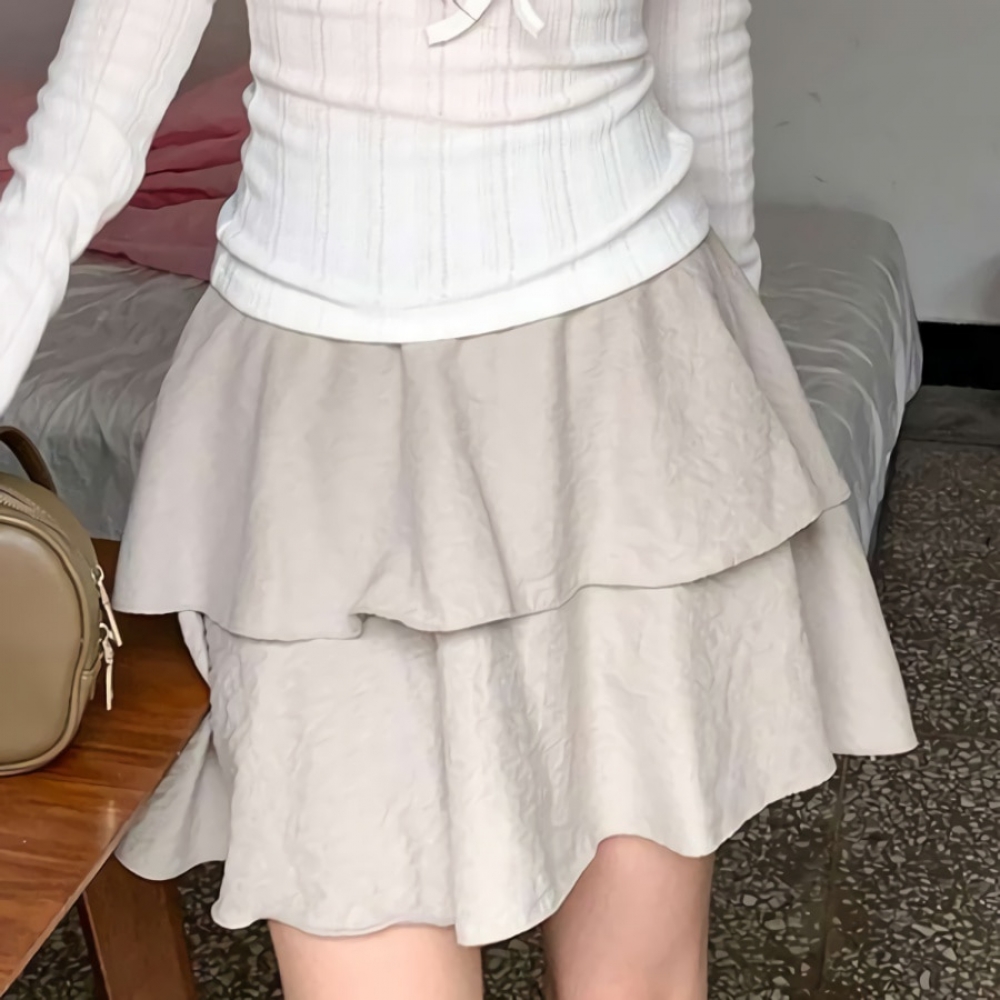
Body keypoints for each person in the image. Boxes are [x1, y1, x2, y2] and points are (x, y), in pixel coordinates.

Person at [0, 0, 916, 997]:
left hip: (632, 386)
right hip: (319, 428)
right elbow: (81, 140)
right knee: (354, 908)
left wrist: (728, 390)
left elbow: (701, 46)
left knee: (636, 974)